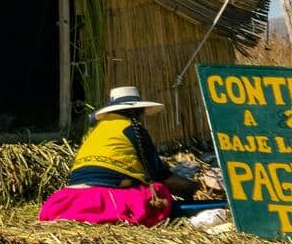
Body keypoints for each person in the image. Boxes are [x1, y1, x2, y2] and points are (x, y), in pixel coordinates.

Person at [39, 85, 198, 226]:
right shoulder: (132, 129)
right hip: (105, 202)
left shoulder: (95, 131)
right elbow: (161, 177)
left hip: (67, 202)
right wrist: (192, 187)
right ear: (139, 111)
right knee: (157, 190)